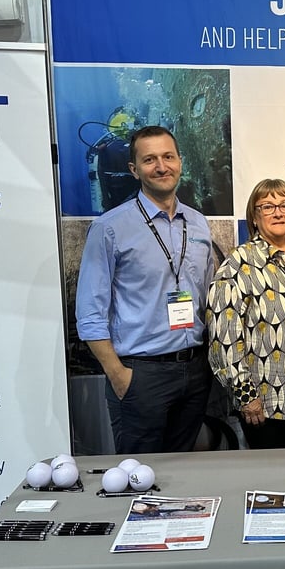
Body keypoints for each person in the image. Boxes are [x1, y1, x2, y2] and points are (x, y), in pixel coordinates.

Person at [76, 125, 213, 454]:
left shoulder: (198, 223)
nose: (161, 166)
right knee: (138, 475)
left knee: (183, 473)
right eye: (150, 160)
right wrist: (118, 375)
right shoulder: (110, 228)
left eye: (168, 157)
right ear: (134, 170)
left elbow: (209, 297)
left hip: (195, 371)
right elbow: (90, 312)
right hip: (140, 374)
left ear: (180, 162)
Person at [207, 179, 285, 449]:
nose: (278, 213)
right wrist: (245, 396)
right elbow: (223, 339)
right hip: (268, 404)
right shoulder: (239, 263)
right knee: (274, 475)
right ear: (254, 217)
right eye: (267, 206)